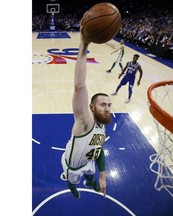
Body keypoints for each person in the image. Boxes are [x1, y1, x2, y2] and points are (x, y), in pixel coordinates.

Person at [60, 30, 112, 199]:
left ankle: (90, 182)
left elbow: (100, 150)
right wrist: (84, 44)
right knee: (72, 180)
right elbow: (79, 86)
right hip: (73, 166)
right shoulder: (85, 122)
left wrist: (102, 175)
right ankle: (71, 186)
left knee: (90, 171)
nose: (107, 108)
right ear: (91, 107)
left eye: (109, 105)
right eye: (102, 104)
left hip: (88, 161)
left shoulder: (102, 125)